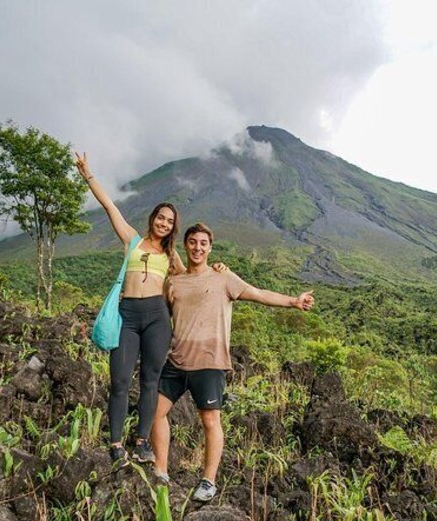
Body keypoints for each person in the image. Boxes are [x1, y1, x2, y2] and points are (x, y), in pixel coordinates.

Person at [74, 153, 226, 468]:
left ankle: (142, 442)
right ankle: (115, 443)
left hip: (157, 318)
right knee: (119, 381)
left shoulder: (172, 256)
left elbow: (191, 278)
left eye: (170, 221)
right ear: (152, 219)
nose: (164, 223)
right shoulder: (132, 241)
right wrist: (88, 174)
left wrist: (218, 269)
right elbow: (109, 207)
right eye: (161, 218)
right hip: (127, 316)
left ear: (173, 228)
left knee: (150, 381)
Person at [151, 223, 315, 502]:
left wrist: (293, 302)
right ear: (186, 245)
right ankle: (161, 472)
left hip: (210, 362)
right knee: (155, 412)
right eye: (192, 242)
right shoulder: (174, 282)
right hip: (177, 360)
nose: (198, 247)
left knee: (210, 421)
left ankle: (208, 481)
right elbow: (159, 317)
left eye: (203, 243)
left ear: (210, 247)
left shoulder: (223, 277)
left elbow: (259, 294)